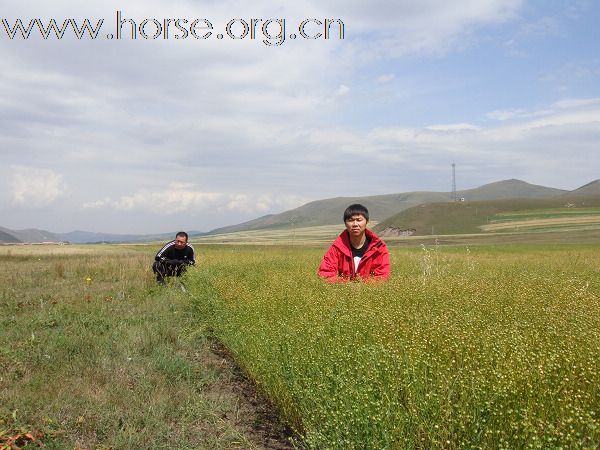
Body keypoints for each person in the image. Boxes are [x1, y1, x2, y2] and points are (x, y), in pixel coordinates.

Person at [318, 204, 390, 282]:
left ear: (367, 222)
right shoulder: (337, 248)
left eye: (359, 220)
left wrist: (361, 287)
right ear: (345, 223)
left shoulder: (378, 248)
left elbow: (382, 277)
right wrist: (348, 286)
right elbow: (325, 274)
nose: (355, 224)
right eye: (350, 220)